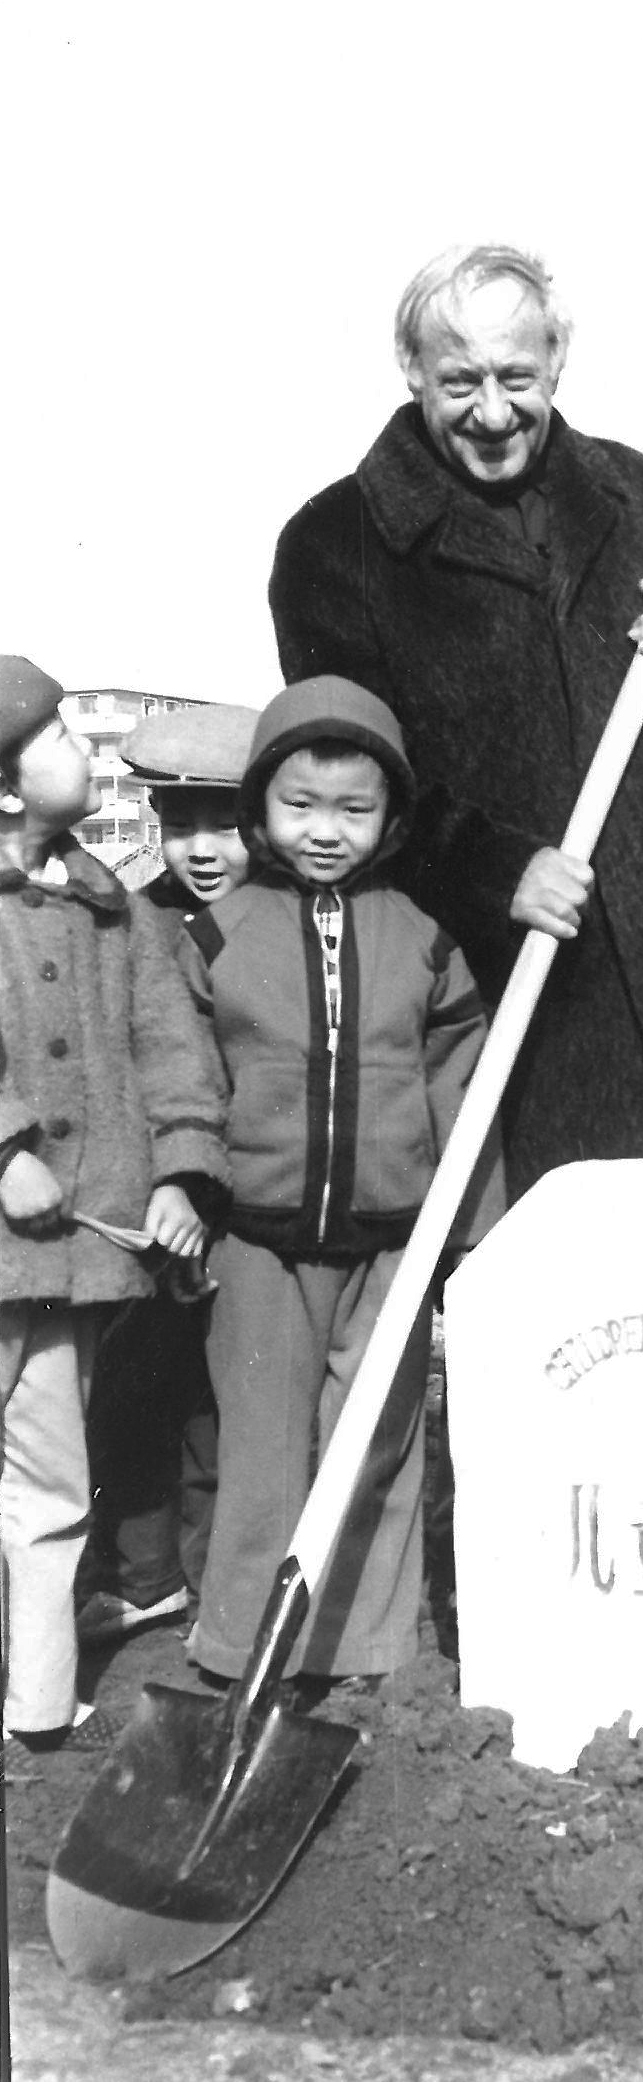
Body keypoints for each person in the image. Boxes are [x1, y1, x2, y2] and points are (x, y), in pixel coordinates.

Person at [268, 242, 643, 1204]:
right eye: (460, 382)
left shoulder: (641, 496)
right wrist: (496, 869)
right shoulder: (335, 545)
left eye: (516, 378)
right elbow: (351, 777)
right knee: (561, 1263)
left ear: (557, 363)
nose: (493, 414)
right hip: (499, 959)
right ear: (411, 368)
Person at [179, 677, 498, 1691]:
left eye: (354, 810)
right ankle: (240, 1650)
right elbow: (184, 1079)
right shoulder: (218, 937)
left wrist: (469, 1228)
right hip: (259, 1236)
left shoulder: (424, 938)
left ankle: (365, 1645)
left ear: (392, 818)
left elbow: (461, 1080)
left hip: (393, 1236)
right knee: (265, 1446)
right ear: (260, 813)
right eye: (300, 806)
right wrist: (188, 1189)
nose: (326, 831)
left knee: (378, 1439)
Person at [0, 658, 227, 1754]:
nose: (84, 753)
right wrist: (3, 1145)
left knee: (50, 1479)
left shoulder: (114, 910)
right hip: (14, 1237)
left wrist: (181, 1171)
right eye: (58, 737)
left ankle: (38, 1699)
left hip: (70, 1256)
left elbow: (171, 1050)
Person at [76, 702, 257, 1646]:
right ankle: (148, 1573)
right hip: (164, 1193)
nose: (198, 848)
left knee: (236, 1397)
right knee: (145, 1383)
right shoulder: (137, 918)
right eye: (175, 824)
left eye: (222, 822)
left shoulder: (283, 925)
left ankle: (223, 1571)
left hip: (255, 1196)